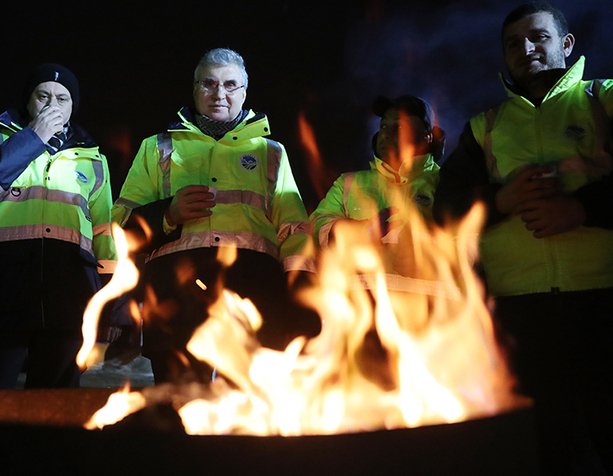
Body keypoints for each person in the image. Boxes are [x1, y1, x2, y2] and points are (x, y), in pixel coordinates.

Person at [431, 2, 613, 474]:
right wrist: (500, 200)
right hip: (520, 315)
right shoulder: (484, 128)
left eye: (538, 37)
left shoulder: (605, 100)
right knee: (543, 450)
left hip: (604, 304)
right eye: (513, 43)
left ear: (566, 44)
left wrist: (581, 208)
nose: (526, 49)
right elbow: (444, 212)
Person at [112, 47, 319, 384]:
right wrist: (168, 214)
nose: (219, 93)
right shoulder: (158, 147)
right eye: (208, 84)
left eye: (230, 85)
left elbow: (294, 229)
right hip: (174, 297)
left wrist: (299, 296)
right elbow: (121, 223)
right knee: (176, 408)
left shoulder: (271, 152)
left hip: (251, 293)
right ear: (194, 89)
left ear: (244, 93)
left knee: (246, 414)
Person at [0, 63, 124, 393]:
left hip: (68, 293)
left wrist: (111, 303)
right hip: (0, 289)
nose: (52, 106)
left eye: (62, 99)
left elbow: (105, 233)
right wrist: (33, 138)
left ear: (73, 107)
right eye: (43, 96)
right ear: (28, 102)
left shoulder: (93, 159)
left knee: (55, 402)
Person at [310, 94, 444, 253]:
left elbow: (467, 239)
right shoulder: (348, 183)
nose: (386, 134)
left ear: (427, 136)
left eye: (400, 127)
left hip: (426, 278)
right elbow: (315, 228)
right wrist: (358, 231)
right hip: (357, 278)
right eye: (384, 126)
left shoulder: (447, 183)